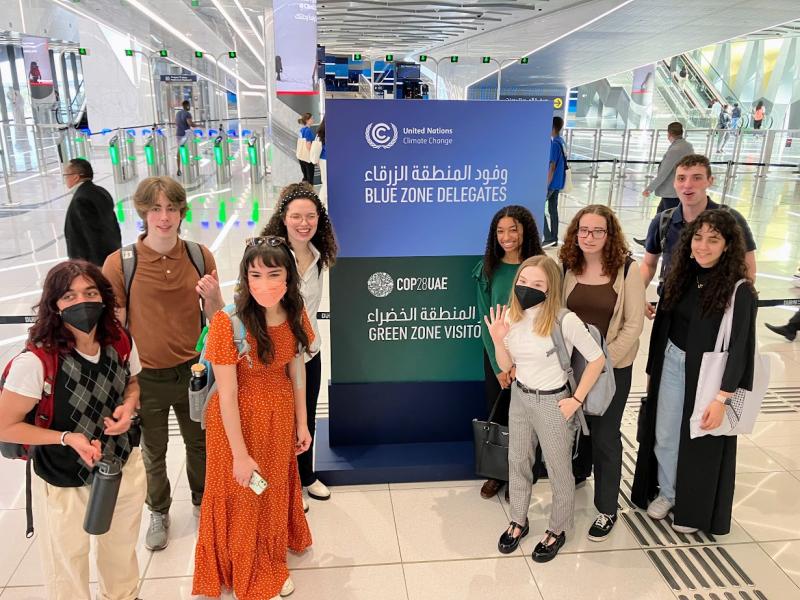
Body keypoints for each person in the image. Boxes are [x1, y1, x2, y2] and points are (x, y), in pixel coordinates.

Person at [0, 260, 146, 600]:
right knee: (68, 565)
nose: (82, 302)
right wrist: (65, 438)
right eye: (70, 296)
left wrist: (128, 406)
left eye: (90, 292)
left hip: (120, 465)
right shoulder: (36, 362)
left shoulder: (120, 340)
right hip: (63, 479)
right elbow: (6, 425)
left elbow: (133, 383)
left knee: (121, 555)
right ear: (54, 305)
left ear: (103, 298)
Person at [102, 176, 224, 551]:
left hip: (195, 372)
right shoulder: (121, 263)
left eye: (171, 208)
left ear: (182, 212)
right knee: (153, 450)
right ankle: (159, 509)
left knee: (200, 443)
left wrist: (215, 297)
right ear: (143, 212)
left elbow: (216, 317)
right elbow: (115, 327)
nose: (164, 217)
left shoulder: (199, 255)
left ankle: (204, 502)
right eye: (155, 209)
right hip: (146, 377)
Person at [192, 235, 314, 600]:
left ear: (288, 278)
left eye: (272, 274)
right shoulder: (227, 323)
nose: (263, 283)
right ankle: (249, 565)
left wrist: (303, 422)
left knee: (271, 488)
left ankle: (271, 550)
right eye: (254, 274)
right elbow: (227, 393)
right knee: (242, 492)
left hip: (278, 418)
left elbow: (297, 372)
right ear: (244, 277)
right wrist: (240, 454)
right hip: (236, 422)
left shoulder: (296, 315)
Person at [632, 209, 758, 534]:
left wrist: (722, 398)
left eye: (713, 240)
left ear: (728, 245)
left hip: (710, 377)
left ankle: (692, 508)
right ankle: (669, 492)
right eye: (698, 238)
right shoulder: (683, 275)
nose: (703, 246)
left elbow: (741, 348)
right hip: (673, 362)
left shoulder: (739, 290)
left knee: (699, 441)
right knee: (665, 434)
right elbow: (671, 322)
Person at [485, 255, 605, 562]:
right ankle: (518, 521)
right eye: (523, 282)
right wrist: (499, 340)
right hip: (520, 398)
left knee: (558, 469)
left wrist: (575, 399)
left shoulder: (565, 320)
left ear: (551, 287)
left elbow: (597, 359)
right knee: (518, 460)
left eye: (537, 284)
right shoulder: (512, 316)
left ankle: (558, 528)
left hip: (554, 402)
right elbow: (508, 365)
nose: (527, 288)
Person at [560, 206, 645, 541]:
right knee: (578, 426)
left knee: (606, 435)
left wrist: (604, 362)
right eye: (583, 230)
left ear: (610, 235)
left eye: (597, 231)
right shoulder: (567, 265)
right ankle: (580, 471)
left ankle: (608, 507)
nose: (589, 237)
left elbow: (633, 324)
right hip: (572, 366)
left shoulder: (627, 270)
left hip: (612, 366)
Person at [262, 183, 338, 510]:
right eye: (296, 216)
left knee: (306, 415)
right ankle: (287, 486)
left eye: (310, 216)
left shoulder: (320, 257)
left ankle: (306, 476)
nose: (303, 223)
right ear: (284, 217)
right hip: (278, 356)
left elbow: (313, 306)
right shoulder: (272, 256)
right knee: (280, 421)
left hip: (310, 352)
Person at [473, 206, 544, 500]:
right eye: (500, 231)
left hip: (533, 357)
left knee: (528, 419)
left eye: (512, 229)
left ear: (525, 230)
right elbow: (484, 319)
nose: (506, 237)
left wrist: (523, 359)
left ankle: (521, 478)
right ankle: (497, 474)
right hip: (498, 358)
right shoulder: (488, 269)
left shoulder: (539, 268)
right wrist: (500, 364)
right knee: (500, 414)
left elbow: (546, 315)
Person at [640, 154, 757, 319]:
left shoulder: (731, 220)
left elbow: (748, 267)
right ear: (674, 183)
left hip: (715, 310)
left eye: (697, 178)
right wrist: (636, 296)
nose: (688, 185)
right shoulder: (663, 222)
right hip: (671, 309)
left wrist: (739, 304)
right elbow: (648, 264)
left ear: (710, 181)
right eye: (681, 178)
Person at [63, 158, 121, 266]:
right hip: (111, 253)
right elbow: (112, 225)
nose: (65, 179)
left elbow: (91, 233)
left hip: (92, 262)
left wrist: (93, 266)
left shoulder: (81, 199)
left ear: (76, 177)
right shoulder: (101, 191)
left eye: (66, 175)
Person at [644, 123, 695, 214]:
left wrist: (649, 189)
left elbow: (664, 173)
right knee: (660, 217)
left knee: (666, 220)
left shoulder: (675, 150)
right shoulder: (688, 146)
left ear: (669, 134)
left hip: (671, 192)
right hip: (681, 189)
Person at [543, 116, 567, 247]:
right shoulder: (562, 142)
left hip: (552, 183)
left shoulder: (554, 144)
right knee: (553, 210)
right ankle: (554, 238)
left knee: (540, 208)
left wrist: (546, 185)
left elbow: (552, 167)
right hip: (559, 182)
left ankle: (548, 237)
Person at [175, 100, 195, 176]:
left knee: (179, 151)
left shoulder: (178, 113)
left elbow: (176, 123)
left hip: (178, 134)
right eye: (189, 105)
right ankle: (190, 165)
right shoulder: (187, 114)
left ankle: (179, 169)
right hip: (185, 134)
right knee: (189, 149)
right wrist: (199, 125)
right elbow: (191, 124)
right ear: (187, 106)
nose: (189, 107)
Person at [296, 112, 315, 184]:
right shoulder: (308, 131)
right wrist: (313, 155)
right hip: (307, 158)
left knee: (305, 177)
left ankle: (304, 192)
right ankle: (309, 193)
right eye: (312, 118)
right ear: (307, 120)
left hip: (301, 157)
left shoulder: (302, 130)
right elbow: (308, 145)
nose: (313, 120)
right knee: (310, 179)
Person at [316, 117, 328, 204]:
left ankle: (321, 203)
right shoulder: (323, 133)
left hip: (324, 160)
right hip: (325, 160)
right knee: (326, 183)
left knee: (325, 182)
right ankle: (320, 203)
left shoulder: (320, 133)